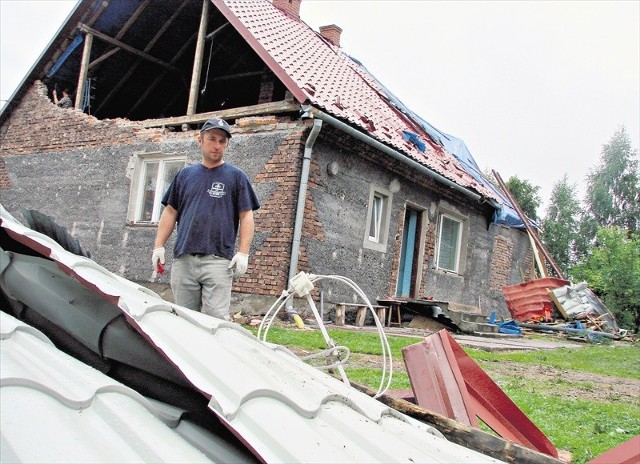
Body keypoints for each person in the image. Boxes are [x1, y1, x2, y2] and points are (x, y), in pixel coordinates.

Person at [152, 117, 260, 320]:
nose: (217, 145)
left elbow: (246, 216)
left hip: (218, 261)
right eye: (212, 139)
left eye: (222, 141)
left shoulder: (236, 177)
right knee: (182, 319)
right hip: (184, 259)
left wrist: (243, 253)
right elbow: (170, 212)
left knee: (214, 322)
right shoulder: (185, 175)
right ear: (200, 140)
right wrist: (159, 246)